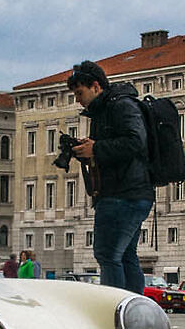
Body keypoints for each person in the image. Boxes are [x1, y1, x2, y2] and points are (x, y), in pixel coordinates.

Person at [64, 59, 152, 293]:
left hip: (124, 195)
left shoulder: (120, 105)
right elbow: (114, 147)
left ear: (95, 86)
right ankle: (133, 310)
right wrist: (88, 150)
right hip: (126, 193)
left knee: (107, 254)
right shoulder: (104, 110)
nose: (77, 99)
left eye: (79, 92)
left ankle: (114, 310)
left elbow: (136, 142)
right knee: (124, 255)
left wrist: (97, 148)